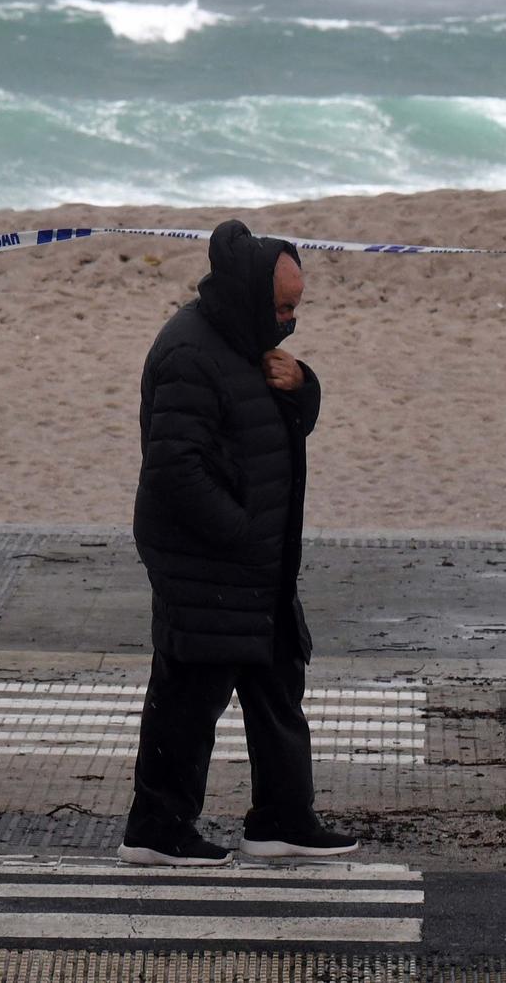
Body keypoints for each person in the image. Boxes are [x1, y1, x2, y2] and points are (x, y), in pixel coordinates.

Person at [119, 219, 360, 866]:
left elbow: (278, 427)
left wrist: (302, 384)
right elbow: (173, 470)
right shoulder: (191, 352)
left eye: (295, 308)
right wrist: (240, 530)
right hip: (207, 560)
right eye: (284, 307)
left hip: (257, 562)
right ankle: (156, 830)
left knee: (278, 685)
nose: (290, 320)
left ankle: (282, 819)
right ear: (254, 296)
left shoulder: (249, 344)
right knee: (190, 697)